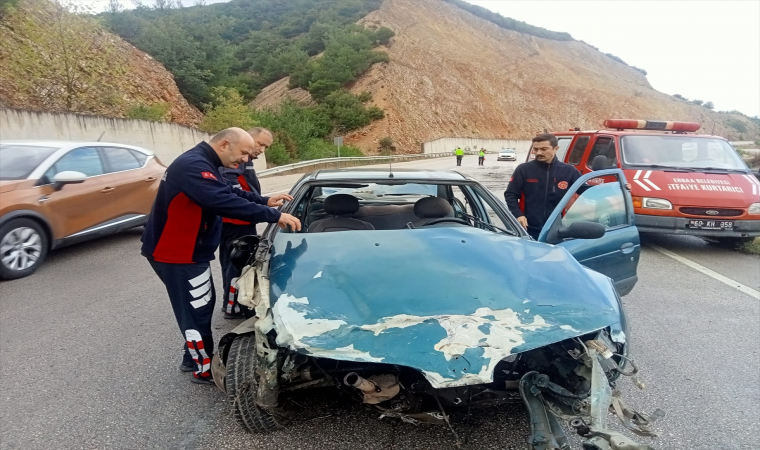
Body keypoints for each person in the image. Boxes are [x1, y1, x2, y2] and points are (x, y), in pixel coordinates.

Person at [141, 128, 301, 385]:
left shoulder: (205, 162)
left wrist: (263, 200)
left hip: (186, 251)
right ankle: (203, 370)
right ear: (225, 144)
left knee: (196, 308)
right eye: (245, 153)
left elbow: (227, 191)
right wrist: (274, 216)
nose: (247, 160)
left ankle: (191, 358)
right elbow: (221, 201)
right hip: (178, 254)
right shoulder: (194, 165)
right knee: (197, 310)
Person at [218, 127, 280, 320]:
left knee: (230, 262)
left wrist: (264, 201)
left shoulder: (247, 161)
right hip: (236, 220)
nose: (262, 150)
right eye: (260, 144)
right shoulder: (237, 159)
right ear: (248, 139)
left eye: (265, 147)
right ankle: (232, 306)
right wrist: (268, 211)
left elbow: (245, 191)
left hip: (236, 219)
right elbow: (233, 192)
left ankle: (230, 303)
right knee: (238, 263)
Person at [504, 133, 582, 239]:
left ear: (556, 149)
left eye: (544, 149)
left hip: (555, 228)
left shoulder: (569, 171)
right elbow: (510, 194)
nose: (538, 153)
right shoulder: (524, 169)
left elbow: (586, 191)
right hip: (527, 227)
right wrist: (518, 215)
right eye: (535, 149)